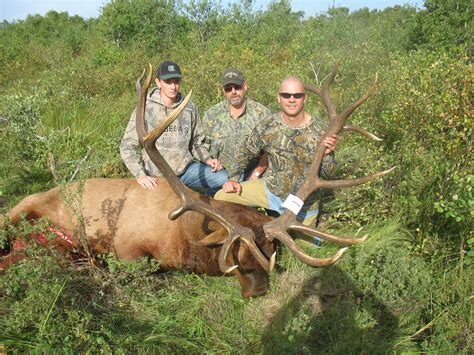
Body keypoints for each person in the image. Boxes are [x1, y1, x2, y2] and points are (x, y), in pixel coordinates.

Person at [215, 76, 338, 227]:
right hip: (270, 192)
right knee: (222, 197)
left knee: (307, 249)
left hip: (304, 205)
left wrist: (328, 155)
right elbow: (245, 150)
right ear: (279, 98)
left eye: (297, 95)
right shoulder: (269, 125)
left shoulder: (320, 131)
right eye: (286, 95)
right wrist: (233, 178)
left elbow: (327, 175)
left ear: (304, 98)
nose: (291, 100)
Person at [120, 60, 228, 192]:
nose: (173, 87)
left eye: (176, 81)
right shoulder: (145, 108)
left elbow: (196, 143)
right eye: (168, 82)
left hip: (186, 172)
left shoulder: (189, 108)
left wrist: (208, 159)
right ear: (158, 82)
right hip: (156, 177)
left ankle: (208, 207)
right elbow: (127, 146)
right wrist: (140, 175)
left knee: (224, 179)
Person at [202, 68, 271, 183]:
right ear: (223, 91)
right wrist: (212, 161)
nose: (233, 92)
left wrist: (257, 173)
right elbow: (202, 146)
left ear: (245, 86)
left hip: (252, 175)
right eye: (228, 89)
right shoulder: (211, 115)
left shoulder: (262, 114)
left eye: (237, 87)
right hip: (220, 174)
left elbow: (270, 150)